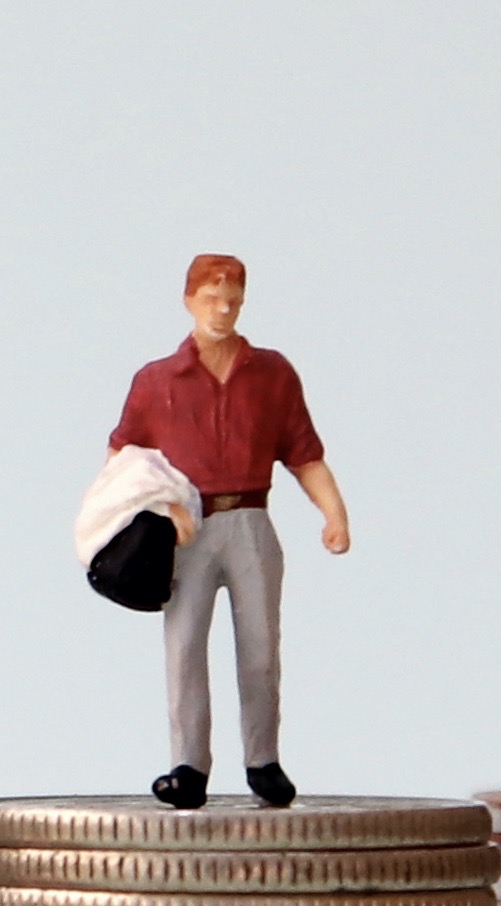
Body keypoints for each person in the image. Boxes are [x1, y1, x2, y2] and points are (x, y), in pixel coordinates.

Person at [105, 252, 352, 810]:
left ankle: (262, 760)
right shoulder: (155, 381)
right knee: (185, 647)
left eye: (233, 299)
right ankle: (188, 764)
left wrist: (333, 513)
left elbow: (304, 454)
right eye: (211, 297)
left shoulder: (273, 374)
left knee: (261, 648)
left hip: (251, 522)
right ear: (188, 300)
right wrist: (155, 508)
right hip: (188, 528)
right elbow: (122, 457)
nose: (222, 309)